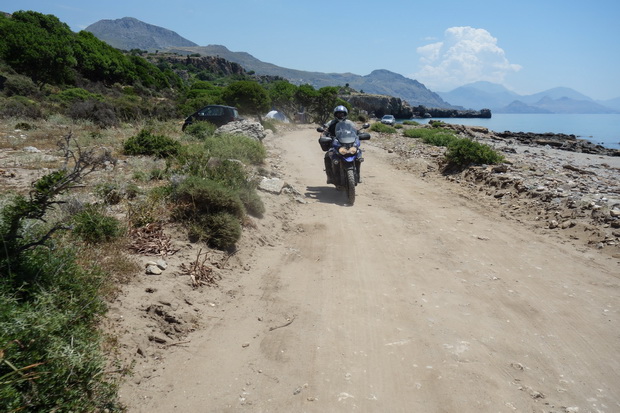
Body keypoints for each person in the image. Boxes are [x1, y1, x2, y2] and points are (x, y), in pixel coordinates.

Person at [322, 105, 363, 184]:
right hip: (335, 143)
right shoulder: (331, 123)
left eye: (342, 114)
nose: (340, 115)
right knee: (327, 156)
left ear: (345, 114)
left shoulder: (349, 123)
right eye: (338, 114)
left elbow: (356, 130)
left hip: (348, 142)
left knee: (358, 154)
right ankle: (330, 176)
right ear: (335, 114)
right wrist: (323, 137)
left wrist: (360, 134)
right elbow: (324, 131)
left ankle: (358, 175)